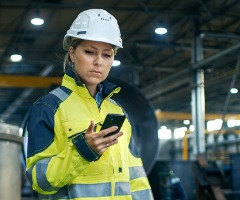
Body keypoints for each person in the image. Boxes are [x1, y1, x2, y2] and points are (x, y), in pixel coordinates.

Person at [26, 9, 154, 200]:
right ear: (72, 54)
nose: (98, 62)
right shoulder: (48, 108)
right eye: (89, 52)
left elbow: (136, 178)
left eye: (107, 55)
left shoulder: (118, 111)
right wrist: (82, 151)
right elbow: (39, 181)